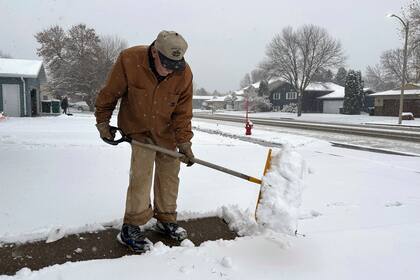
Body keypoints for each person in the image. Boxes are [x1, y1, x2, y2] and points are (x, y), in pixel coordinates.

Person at [94, 30, 194, 253]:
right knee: (141, 174)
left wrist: (185, 143)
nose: (170, 70)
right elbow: (109, 93)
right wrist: (103, 122)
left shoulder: (184, 74)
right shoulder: (130, 60)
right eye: (166, 63)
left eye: (175, 65)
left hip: (167, 133)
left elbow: (183, 112)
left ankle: (166, 219)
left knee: (170, 176)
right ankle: (132, 225)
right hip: (139, 129)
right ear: (155, 53)